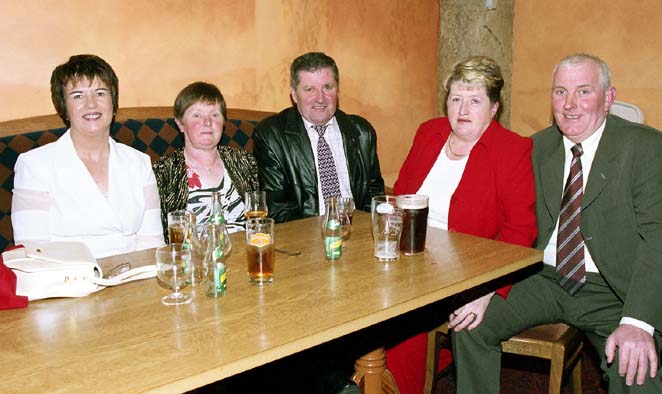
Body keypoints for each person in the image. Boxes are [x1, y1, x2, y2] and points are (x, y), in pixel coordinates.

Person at [453, 53, 662, 394]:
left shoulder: (647, 149)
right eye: (560, 92)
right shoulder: (535, 148)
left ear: (609, 98)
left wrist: (638, 322)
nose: (570, 104)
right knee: (469, 323)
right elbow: (510, 223)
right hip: (542, 278)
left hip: (612, 291)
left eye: (584, 91)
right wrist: (486, 286)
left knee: (636, 371)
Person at [388, 56, 537, 394]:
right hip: (409, 255)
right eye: (456, 99)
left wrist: (488, 291)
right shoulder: (430, 132)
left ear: (494, 107)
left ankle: (397, 382)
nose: (463, 109)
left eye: (475, 100)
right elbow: (401, 195)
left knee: (397, 317)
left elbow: (520, 231)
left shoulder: (512, 149)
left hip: (465, 271)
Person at [11, 54, 164, 258]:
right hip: (65, 284)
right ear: (64, 108)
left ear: (113, 103)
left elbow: (152, 245)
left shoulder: (139, 163)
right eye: (78, 96)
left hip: (132, 280)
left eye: (100, 93)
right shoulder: (34, 165)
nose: (91, 104)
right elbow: (32, 251)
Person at [252, 52, 385, 223]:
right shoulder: (271, 135)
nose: (320, 98)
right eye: (310, 89)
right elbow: (278, 210)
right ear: (294, 94)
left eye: (328, 87)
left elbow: (374, 195)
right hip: (304, 237)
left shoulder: (362, 132)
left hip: (357, 231)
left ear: (338, 90)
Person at [153, 82, 258, 238]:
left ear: (223, 122)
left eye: (215, 115)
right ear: (180, 123)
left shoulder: (244, 161)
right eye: (197, 115)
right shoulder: (164, 172)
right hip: (193, 259)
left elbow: (259, 222)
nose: (207, 122)